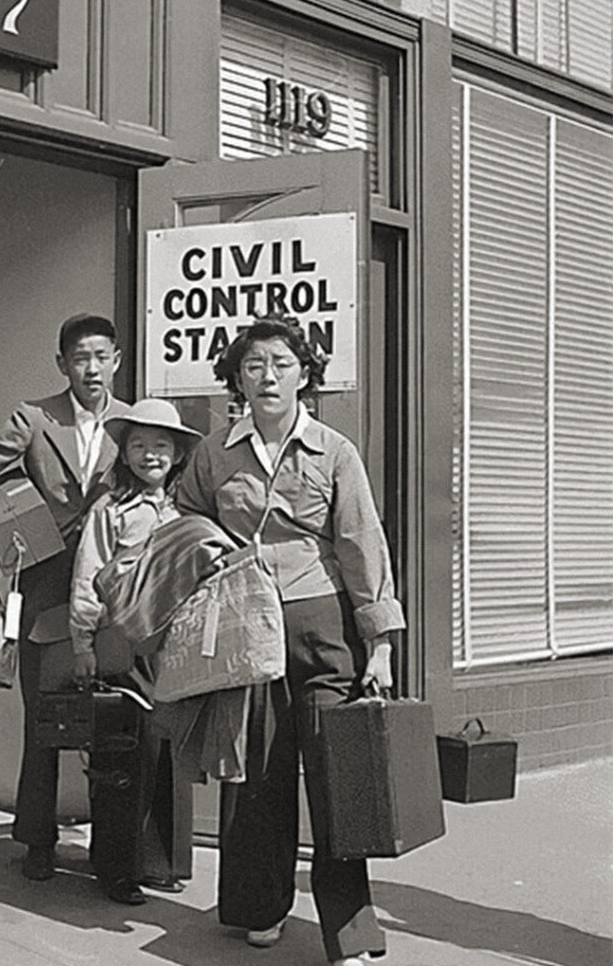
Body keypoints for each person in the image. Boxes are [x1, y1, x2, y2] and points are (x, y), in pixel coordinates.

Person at [175, 313, 403, 966]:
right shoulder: (215, 453)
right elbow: (187, 515)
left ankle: (350, 935)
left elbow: (362, 544)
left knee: (338, 780)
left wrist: (380, 644)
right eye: (253, 365)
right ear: (237, 379)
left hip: (323, 627)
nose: (267, 376)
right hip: (248, 628)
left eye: (281, 364)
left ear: (305, 375)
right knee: (258, 776)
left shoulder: (334, 450)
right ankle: (260, 907)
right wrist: (213, 550)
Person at [0, 313, 129, 882]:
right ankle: (37, 841)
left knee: (114, 716)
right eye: (80, 358)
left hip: (111, 592)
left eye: (100, 356)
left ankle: (115, 855)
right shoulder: (34, 418)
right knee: (44, 715)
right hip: (44, 586)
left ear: (117, 360)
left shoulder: (132, 423)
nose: (91, 368)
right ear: (62, 365)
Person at [68, 398, 200, 905]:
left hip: (175, 646)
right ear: (124, 454)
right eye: (139, 445)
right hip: (122, 642)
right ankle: (115, 868)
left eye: (161, 445)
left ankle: (162, 862)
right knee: (122, 755)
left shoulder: (187, 509)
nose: (150, 455)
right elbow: (88, 576)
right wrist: (83, 643)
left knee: (166, 751)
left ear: (177, 453)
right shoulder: (110, 510)